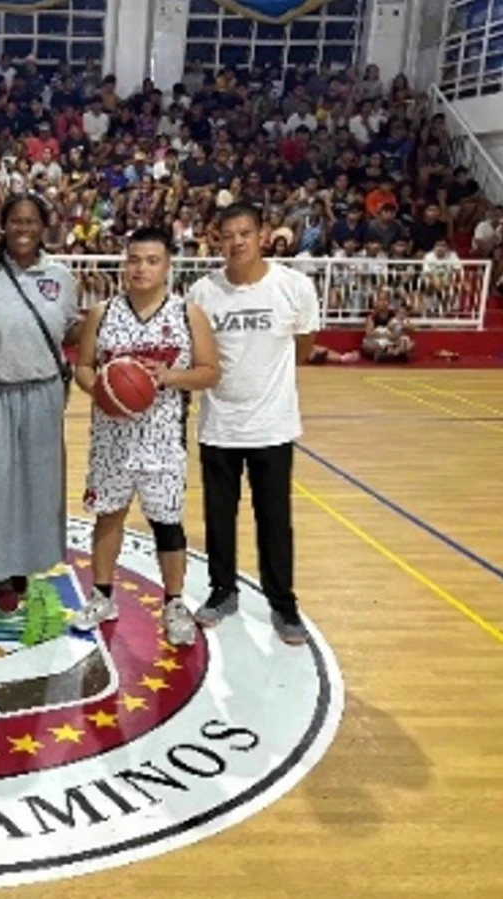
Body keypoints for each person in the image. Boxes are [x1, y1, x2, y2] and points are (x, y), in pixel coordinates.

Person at [70, 227, 219, 645]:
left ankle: (173, 603)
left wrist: (169, 376)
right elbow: (82, 367)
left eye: (151, 260)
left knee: (167, 524)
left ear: (167, 266)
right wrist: (101, 386)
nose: (141, 268)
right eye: (134, 260)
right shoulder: (102, 313)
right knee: (108, 516)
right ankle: (102, 596)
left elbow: (210, 372)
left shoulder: (188, 314)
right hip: (111, 438)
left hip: (163, 439)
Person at [186, 202, 319, 646]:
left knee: (274, 520)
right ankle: (222, 592)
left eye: (246, 232)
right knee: (219, 517)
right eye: (229, 234)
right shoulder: (203, 292)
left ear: (263, 235)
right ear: (217, 239)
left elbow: (303, 347)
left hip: (273, 425)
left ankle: (284, 605)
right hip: (219, 424)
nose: (237, 241)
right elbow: (197, 355)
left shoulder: (294, 287)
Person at [0, 193, 83, 612]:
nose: (24, 229)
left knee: (35, 487)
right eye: (16, 222)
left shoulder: (60, 276)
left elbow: (71, 331)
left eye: (32, 222)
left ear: (44, 227)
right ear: (3, 225)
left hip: (42, 392)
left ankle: (22, 567)